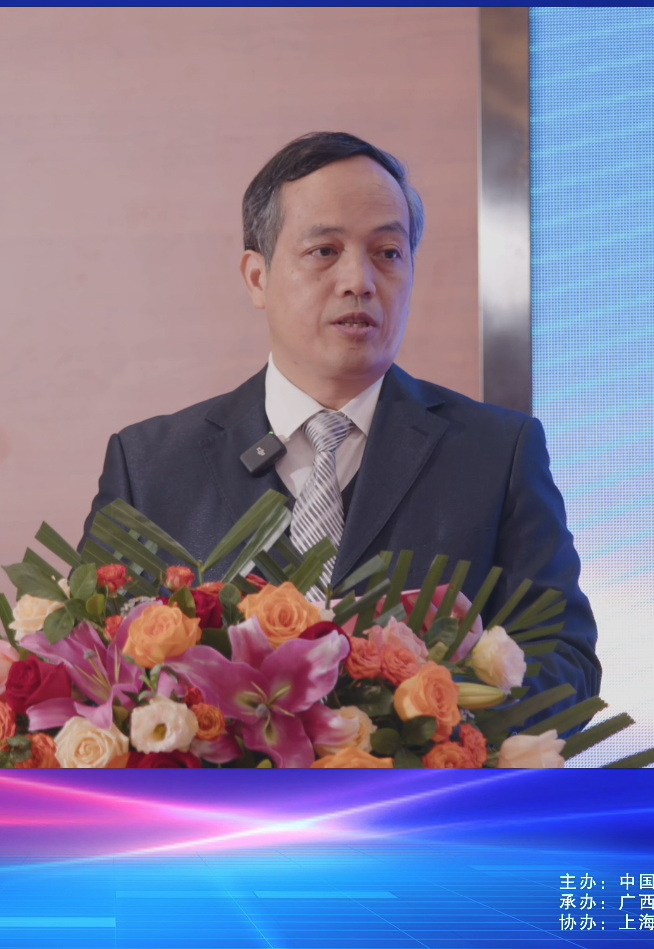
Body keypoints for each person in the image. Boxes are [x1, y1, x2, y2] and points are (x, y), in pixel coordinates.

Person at [84, 131, 599, 708]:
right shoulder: (151, 467)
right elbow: (88, 662)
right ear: (257, 277)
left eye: (388, 253)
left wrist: (437, 707)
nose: (359, 281)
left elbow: (566, 662)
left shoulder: (496, 453)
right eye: (324, 251)